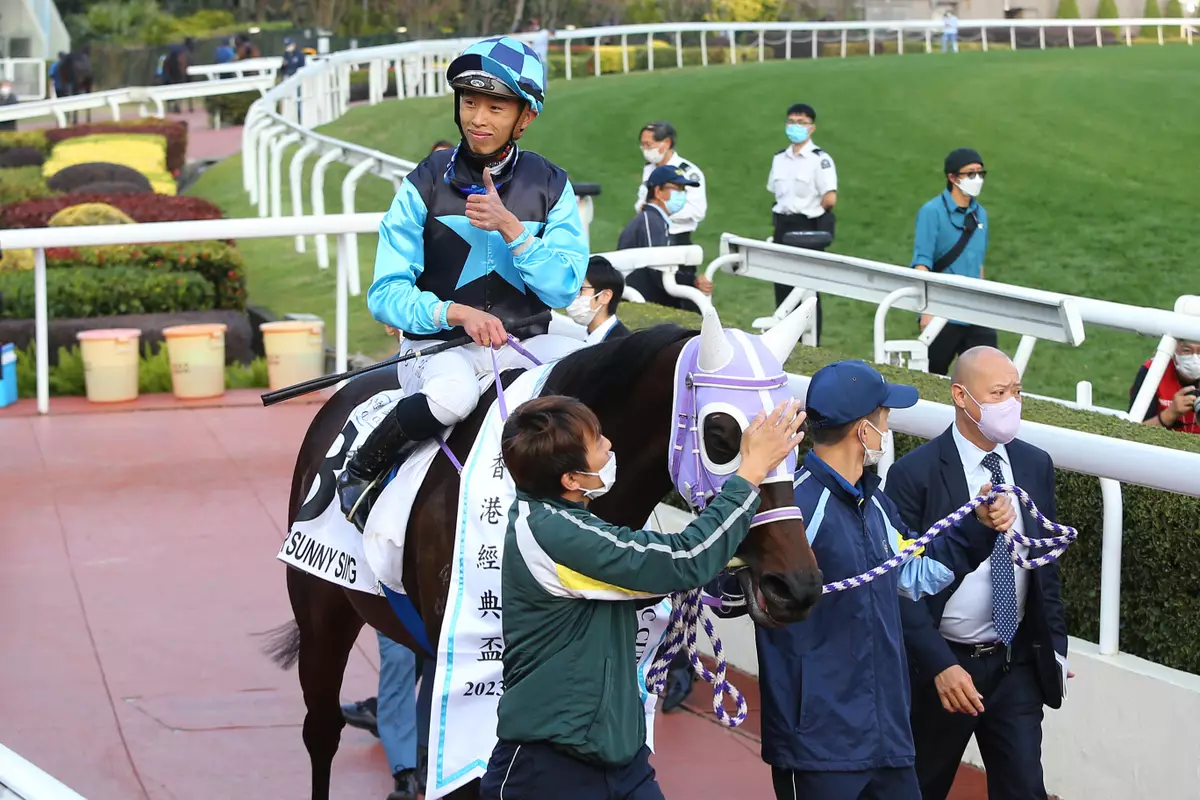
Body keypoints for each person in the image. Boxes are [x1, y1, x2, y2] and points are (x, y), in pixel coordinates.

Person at [708, 360, 1011, 800]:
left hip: (888, 741)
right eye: (883, 417)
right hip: (818, 747)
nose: (887, 428)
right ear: (862, 430)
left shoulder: (877, 504)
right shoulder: (793, 507)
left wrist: (976, 528)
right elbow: (721, 591)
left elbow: (914, 577)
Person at [479, 395, 807, 799]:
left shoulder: (561, 520)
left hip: (619, 758)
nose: (609, 446)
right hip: (549, 769)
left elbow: (657, 570)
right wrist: (751, 471)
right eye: (597, 442)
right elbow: (684, 560)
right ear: (572, 480)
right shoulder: (555, 533)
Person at [336, 36, 587, 531]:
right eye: (470, 102)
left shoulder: (552, 185)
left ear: (526, 117)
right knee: (454, 396)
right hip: (434, 349)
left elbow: (562, 289)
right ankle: (363, 467)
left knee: (592, 373)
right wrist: (454, 313)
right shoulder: (423, 182)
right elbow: (385, 294)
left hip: (521, 344)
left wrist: (513, 230)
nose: (478, 118)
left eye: (495, 107)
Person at [886, 346, 1067, 800]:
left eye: (1017, 392)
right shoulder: (914, 474)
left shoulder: (1035, 464)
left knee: (1025, 789)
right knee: (920, 788)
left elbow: (1046, 569)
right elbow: (901, 586)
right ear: (960, 396)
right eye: (999, 393)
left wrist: (1056, 649)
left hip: (1014, 665)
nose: (1011, 403)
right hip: (943, 671)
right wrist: (939, 665)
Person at [911, 148, 993, 376]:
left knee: (986, 376)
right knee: (931, 376)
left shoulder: (981, 215)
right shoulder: (931, 212)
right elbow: (922, 263)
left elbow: (978, 264)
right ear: (953, 177)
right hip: (942, 311)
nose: (977, 179)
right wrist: (926, 311)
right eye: (970, 173)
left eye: (980, 173)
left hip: (975, 311)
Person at [766, 102, 837, 339]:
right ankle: (785, 340)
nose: (795, 126)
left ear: (812, 127)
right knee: (782, 287)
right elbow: (776, 193)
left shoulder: (819, 159)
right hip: (782, 226)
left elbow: (829, 198)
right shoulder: (779, 158)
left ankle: (810, 341)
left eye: (801, 122)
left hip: (807, 228)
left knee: (807, 291)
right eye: (791, 122)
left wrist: (810, 212)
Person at [620, 164, 714, 313]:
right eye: (677, 189)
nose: (682, 194)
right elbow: (657, 269)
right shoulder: (651, 221)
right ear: (658, 192)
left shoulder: (653, 220)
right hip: (641, 304)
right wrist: (693, 282)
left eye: (683, 190)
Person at [635, 121, 707, 246]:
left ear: (667, 143)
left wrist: (659, 212)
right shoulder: (649, 169)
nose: (645, 150)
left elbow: (697, 211)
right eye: (643, 145)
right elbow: (643, 198)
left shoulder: (688, 173)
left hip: (676, 239)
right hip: (650, 234)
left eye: (649, 145)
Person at [1128, 338, 1200, 434]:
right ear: (1173, 348)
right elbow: (1133, 432)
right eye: (1187, 351)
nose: (1194, 358)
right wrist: (1171, 413)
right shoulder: (1153, 370)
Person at [563, 256, 631, 344]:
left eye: (581, 289)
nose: (573, 296)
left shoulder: (623, 346)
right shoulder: (583, 339)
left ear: (605, 296)